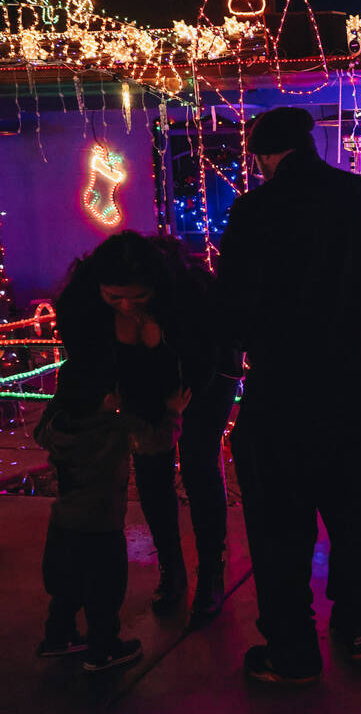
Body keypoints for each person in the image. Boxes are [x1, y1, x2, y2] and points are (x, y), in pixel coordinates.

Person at [218, 107, 361, 684]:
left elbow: (232, 303)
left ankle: (292, 650)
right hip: (358, 385)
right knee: (356, 512)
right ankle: (358, 625)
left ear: (266, 155)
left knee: (280, 523)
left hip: (282, 388)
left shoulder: (255, 210)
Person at [55, 232, 238, 627]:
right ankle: (171, 569)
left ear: (157, 287)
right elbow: (88, 364)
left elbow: (203, 361)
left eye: (137, 298)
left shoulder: (190, 295)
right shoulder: (81, 303)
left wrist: (162, 341)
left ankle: (211, 570)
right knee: (151, 464)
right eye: (115, 297)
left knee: (198, 460)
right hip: (137, 382)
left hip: (202, 375)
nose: (126, 305)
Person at [35, 359, 188, 672]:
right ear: (107, 397)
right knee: (104, 590)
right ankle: (103, 649)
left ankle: (57, 637)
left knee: (67, 587)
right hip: (101, 525)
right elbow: (156, 441)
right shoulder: (114, 427)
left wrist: (61, 400)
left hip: (63, 522)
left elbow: (41, 431)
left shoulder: (57, 425)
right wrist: (174, 412)